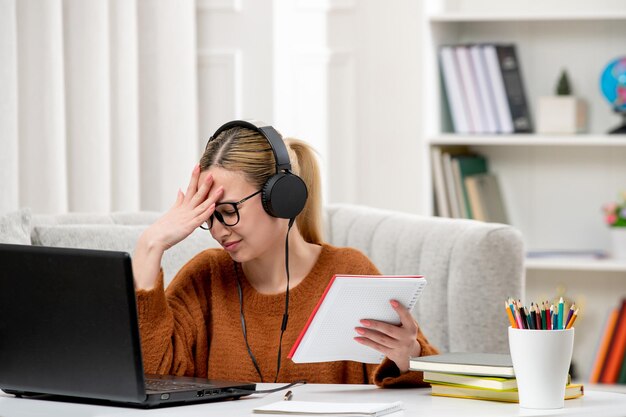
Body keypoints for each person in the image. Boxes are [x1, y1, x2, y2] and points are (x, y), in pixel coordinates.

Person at [133, 120, 438, 387]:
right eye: (208, 217)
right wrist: (150, 245)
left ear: (281, 199)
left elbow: (434, 381)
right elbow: (151, 377)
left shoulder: (348, 271)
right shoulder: (206, 276)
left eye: (228, 211)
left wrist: (408, 358)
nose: (218, 231)